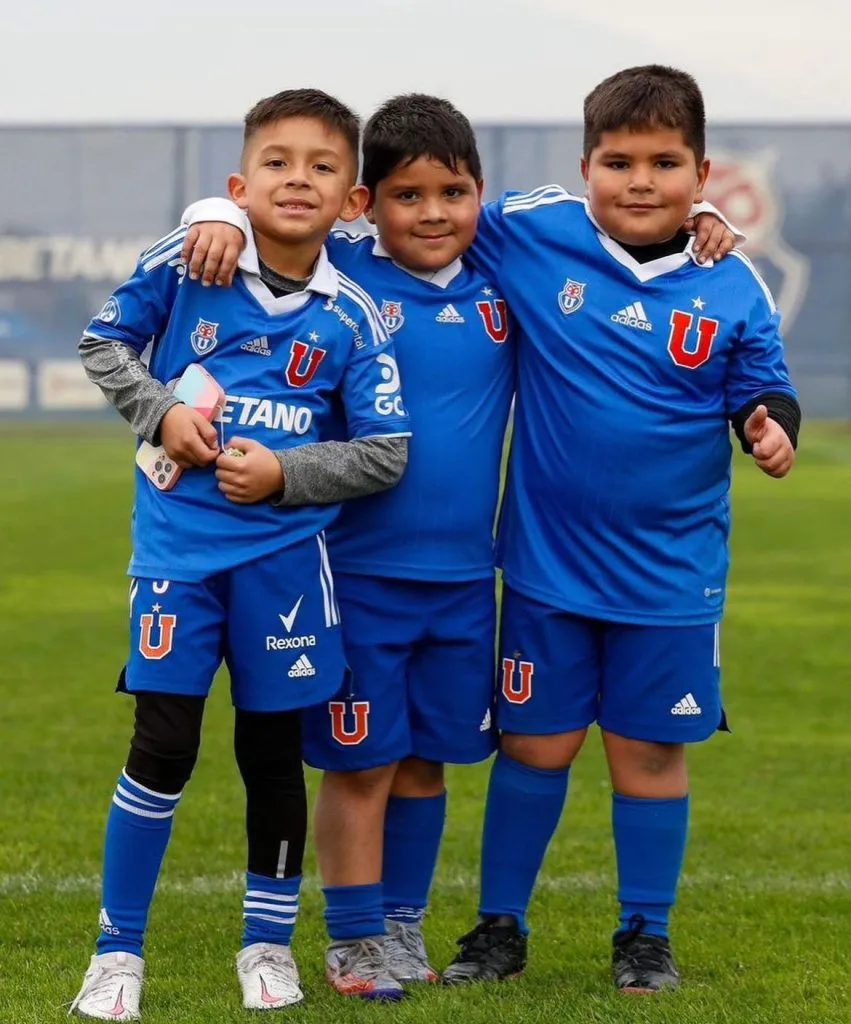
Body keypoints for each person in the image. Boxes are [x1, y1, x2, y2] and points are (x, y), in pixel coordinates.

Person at [178, 75, 744, 998]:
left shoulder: (503, 268)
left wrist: (699, 214)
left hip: (465, 582)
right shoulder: (343, 271)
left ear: (483, 196)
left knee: (426, 761)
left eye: (453, 193)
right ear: (368, 204)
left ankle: (400, 925)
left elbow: (609, 217)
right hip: (350, 569)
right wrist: (218, 214)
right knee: (361, 762)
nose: (433, 213)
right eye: (407, 194)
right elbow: (273, 219)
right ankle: (356, 938)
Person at [69, 88, 409, 1020]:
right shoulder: (189, 261)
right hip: (178, 555)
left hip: (288, 566)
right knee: (162, 747)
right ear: (238, 182)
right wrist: (166, 413)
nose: (297, 177)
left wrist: (288, 473)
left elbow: (385, 451)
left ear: (351, 203)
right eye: (276, 161)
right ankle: (116, 954)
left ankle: (266, 947)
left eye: (323, 166)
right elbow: (105, 344)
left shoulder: (356, 317)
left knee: (271, 755)